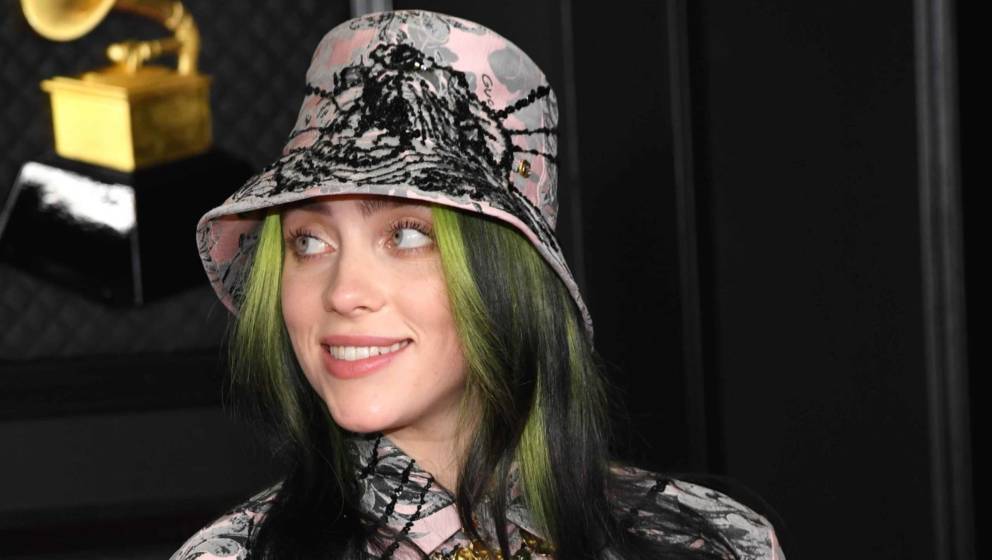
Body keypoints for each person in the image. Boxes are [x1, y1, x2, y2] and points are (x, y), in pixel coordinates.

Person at [171, 9, 786, 560]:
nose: (343, 292)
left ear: (504, 274)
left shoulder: (717, 543)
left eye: (405, 235)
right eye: (309, 242)